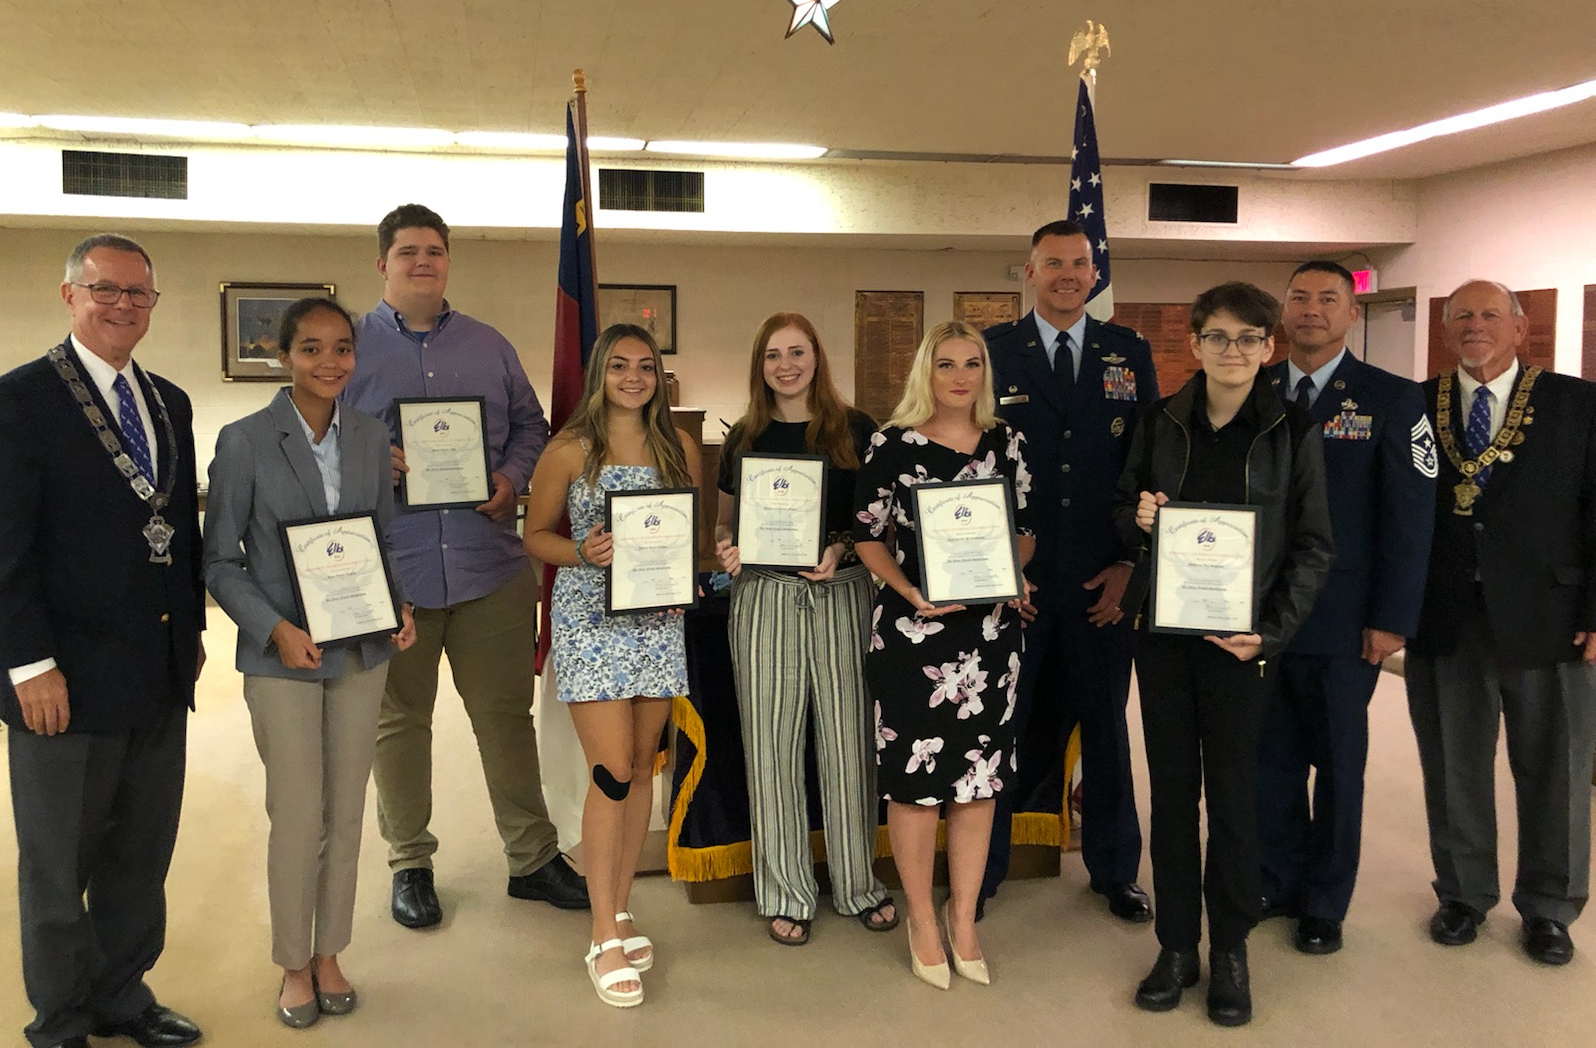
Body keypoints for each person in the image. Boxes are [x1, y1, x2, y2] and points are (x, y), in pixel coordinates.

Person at [341, 203, 587, 929]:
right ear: (382, 263)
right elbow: (314, 435)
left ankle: (532, 857)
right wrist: (365, 463)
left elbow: (534, 428)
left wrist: (512, 479)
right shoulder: (347, 348)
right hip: (396, 574)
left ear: (448, 262)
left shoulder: (490, 346)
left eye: (436, 252)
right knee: (399, 724)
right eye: (409, 251)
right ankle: (410, 862)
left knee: (505, 719)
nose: (423, 262)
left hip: (489, 568)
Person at [0, 234, 205, 1048]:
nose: (122, 305)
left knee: (139, 854)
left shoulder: (171, 403)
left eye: (138, 294)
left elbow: (177, 533)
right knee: (59, 868)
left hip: (156, 673)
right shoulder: (19, 402)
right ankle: (60, 1020)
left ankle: (124, 995)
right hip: (63, 679)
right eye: (104, 289)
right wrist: (28, 663)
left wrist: (188, 631)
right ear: (69, 296)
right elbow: (4, 549)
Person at [1113, 282, 1333, 1026]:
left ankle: (1231, 948)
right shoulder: (1160, 421)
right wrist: (1138, 518)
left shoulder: (1291, 428)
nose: (1233, 351)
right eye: (1218, 337)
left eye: (1248, 339)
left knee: (1235, 798)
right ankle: (1177, 945)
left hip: (1243, 647)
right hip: (1165, 639)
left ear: (1268, 347)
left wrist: (1270, 633)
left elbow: (1312, 546)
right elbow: (1122, 513)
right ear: (1196, 344)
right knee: (1173, 793)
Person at [203, 298, 418, 1028]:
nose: (330, 362)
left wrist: (399, 607)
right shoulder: (244, 440)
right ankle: (294, 962)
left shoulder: (368, 436)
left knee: (348, 810)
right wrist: (274, 629)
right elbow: (220, 562)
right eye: (312, 349)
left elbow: (380, 544)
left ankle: (332, 952)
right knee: (298, 815)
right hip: (282, 657)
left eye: (342, 348)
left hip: (361, 649)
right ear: (284, 356)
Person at [1405, 279, 1596, 966]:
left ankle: (1549, 907)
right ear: (1445, 329)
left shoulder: (1577, 403)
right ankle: (1462, 894)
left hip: (1552, 616)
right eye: (1462, 316)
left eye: (1491, 315)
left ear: (1521, 328)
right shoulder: (1416, 405)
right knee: (1454, 766)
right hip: (1444, 614)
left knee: (1556, 768)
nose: (1475, 326)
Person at [1255, 261, 1435, 955]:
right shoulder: (1253, 387)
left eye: (1328, 299)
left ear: (1351, 313)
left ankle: (1325, 901)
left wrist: (1391, 618)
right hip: (1262, 616)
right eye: (1298, 297)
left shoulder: (1392, 399)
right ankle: (1276, 880)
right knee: (1268, 761)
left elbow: (1410, 516)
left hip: (1342, 618)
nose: (1310, 310)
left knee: (1336, 763)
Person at [981, 219, 1159, 923]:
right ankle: (983, 872)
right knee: (1002, 734)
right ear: (1028, 272)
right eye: (1052, 263)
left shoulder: (1128, 353)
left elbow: (1145, 468)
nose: (1066, 274)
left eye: (1079, 264)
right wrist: (998, 573)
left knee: (1108, 734)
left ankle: (1115, 871)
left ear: (1096, 274)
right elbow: (973, 469)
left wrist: (1127, 566)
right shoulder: (992, 353)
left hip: (1099, 589)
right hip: (1015, 589)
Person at [852, 320, 1035, 989]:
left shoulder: (1007, 441)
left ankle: (964, 919)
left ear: (987, 373)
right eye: (946, 364)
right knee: (916, 783)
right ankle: (922, 918)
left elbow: (1025, 532)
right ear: (924, 372)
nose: (960, 376)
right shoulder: (891, 444)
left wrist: (1010, 573)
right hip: (912, 635)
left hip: (990, 639)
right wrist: (906, 589)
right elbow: (867, 535)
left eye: (973, 363)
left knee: (979, 783)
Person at [523, 324, 700, 1007]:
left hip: (656, 622)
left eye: (646, 366)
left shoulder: (677, 445)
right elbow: (534, 537)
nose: (634, 376)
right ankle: (601, 933)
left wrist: (696, 564)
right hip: (589, 621)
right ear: (599, 373)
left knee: (644, 763)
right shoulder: (569, 449)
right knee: (611, 771)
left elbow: (683, 530)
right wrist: (584, 554)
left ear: (659, 374)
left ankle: (622, 906)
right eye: (620, 365)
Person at [713, 312, 896, 946]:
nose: (785, 364)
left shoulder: (858, 429)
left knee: (848, 745)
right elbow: (724, 526)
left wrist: (842, 548)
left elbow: (878, 525)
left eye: (797, 351)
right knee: (772, 748)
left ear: (817, 357)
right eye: (772, 355)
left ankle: (856, 884)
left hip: (841, 597)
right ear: (759, 366)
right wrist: (727, 548)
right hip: (764, 600)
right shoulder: (744, 435)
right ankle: (786, 889)